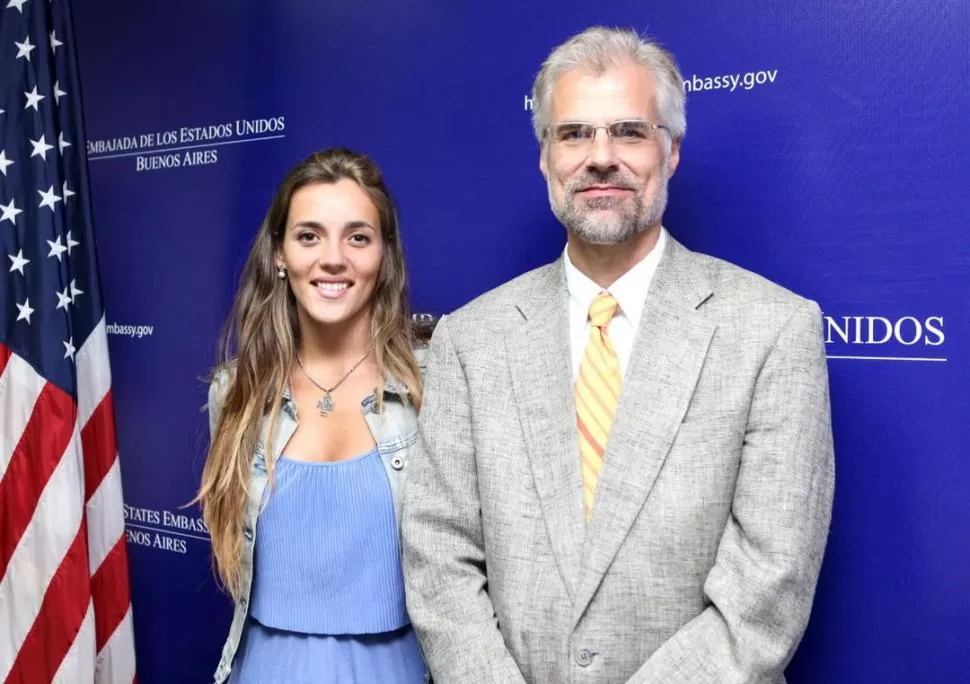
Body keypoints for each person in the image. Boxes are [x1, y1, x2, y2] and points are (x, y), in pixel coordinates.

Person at [401, 26, 835, 684]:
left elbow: (766, 596)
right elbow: (439, 558)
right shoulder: (470, 338)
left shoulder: (773, 331)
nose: (600, 157)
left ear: (672, 151)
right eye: (574, 134)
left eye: (629, 131)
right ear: (545, 156)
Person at [197, 148, 428, 683]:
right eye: (308, 236)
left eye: (357, 237)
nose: (332, 259)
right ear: (280, 255)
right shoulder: (235, 394)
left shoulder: (431, 391)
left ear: (384, 255)